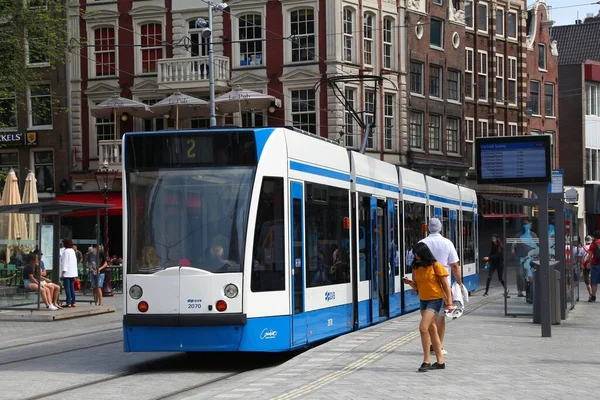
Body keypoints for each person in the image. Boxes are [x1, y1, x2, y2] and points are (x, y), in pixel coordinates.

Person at [402, 242, 454, 372]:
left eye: (418, 255)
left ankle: (426, 361)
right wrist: (410, 283)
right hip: (423, 300)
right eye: (415, 256)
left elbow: (446, 286)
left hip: (435, 299)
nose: (417, 258)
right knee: (432, 329)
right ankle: (440, 361)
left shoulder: (436, 266)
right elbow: (417, 287)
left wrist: (449, 303)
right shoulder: (417, 267)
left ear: (424, 254)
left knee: (423, 327)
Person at [419, 218, 462, 354]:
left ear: (427, 228)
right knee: (440, 317)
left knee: (428, 317)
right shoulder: (447, 243)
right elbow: (454, 265)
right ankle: (438, 346)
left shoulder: (421, 243)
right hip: (443, 283)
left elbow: (413, 263)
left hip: (426, 284)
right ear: (440, 228)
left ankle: (431, 345)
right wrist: (459, 282)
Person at [511, 218, 538, 298]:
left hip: (531, 259)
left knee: (530, 276)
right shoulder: (518, 235)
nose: (528, 226)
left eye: (529, 224)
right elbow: (513, 246)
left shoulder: (533, 235)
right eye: (527, 224)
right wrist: (513, 251)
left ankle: (529, 291)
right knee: (520, 275)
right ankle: (520, 291)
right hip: (520, 258)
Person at [60, 238, 78, 308]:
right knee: (72, 288)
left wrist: (63, 273)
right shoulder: (72, 251)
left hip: (67, 273)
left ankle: (68, 302)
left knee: (67, 288)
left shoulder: (65, 251)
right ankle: (73, 301)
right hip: (72, 272)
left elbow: (65, 263)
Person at [587, 231, 600, 302]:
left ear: (594, 237)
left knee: (594, 282)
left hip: (596, 264)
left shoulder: (593, 244)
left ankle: (593, 297)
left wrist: (590, 263)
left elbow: (590, 256)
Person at [581, 235, 594, 301]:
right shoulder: (594, 247)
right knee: (593, 280)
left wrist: (581, 265)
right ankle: (593, 295)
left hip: (586, 266)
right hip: (594, 265)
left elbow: (580, 258)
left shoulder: (583, 248)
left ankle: (590, 295)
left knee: (587, 281)